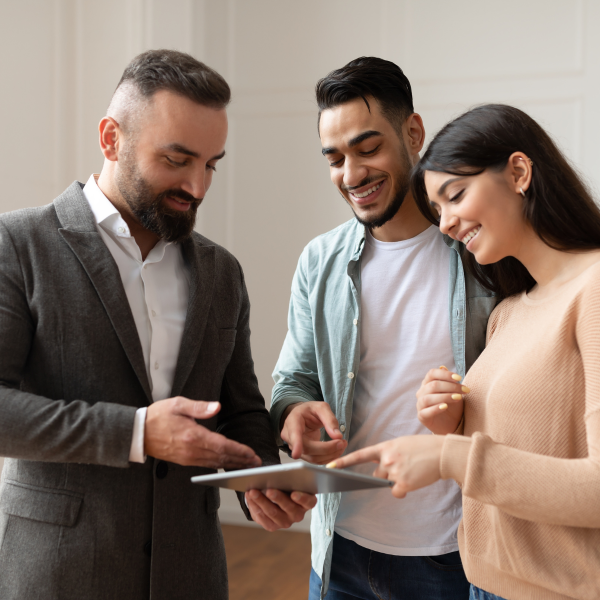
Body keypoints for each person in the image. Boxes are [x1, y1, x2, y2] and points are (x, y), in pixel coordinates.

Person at [0, 49, 315, 600]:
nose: (197, 186)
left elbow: (239, 407)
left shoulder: (221, 272)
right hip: (56, 573)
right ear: (111, 138)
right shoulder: (18, 244)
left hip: (190, 571)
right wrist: (139, 432)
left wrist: (258, 478)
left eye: (212, 164)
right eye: (177, 160)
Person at [331, 103, 600, 600]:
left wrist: (449, 455)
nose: (447, 223)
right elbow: (529, 444)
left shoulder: (593, 291)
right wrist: (452, 420)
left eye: (454, 196)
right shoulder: (510, 311)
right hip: (485, 586)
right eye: (437, 210)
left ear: (519, 171)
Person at [270, 57, 497, 600]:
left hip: (454, 556)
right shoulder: (319, 261)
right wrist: (294, 413)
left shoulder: (482, 251)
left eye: (368, 149)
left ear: (413, 133)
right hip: (339, 552)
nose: (351, 175)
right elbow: (292, 380)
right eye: (335, 159)